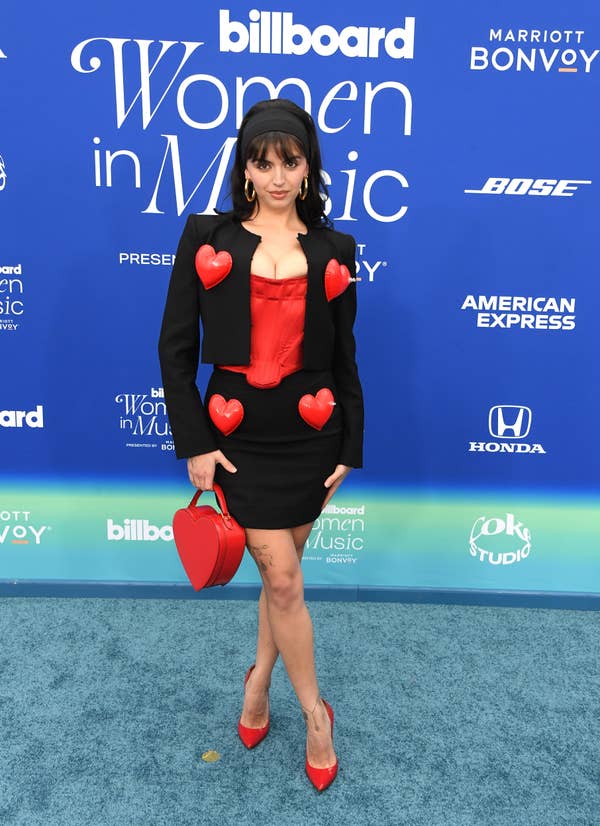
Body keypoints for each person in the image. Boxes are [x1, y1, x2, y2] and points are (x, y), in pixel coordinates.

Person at [158, 98, 364, 792]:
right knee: (282, 579)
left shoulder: (336, 250)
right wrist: (194, 440)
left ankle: (258, 682)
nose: (277, 175)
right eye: (262, 161)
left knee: (287, 580)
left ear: (308, 169)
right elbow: (175, 347)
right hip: (237, 436)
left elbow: (345, 358)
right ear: (245, 169)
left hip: (312, 436)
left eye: (291, 161)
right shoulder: (206, 237)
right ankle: (315, 715)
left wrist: (351, 443)